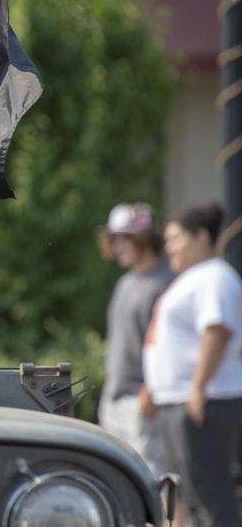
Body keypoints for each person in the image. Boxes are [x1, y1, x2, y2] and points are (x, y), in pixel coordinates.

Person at [142, 202, 242, 527]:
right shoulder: (191, 278)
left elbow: (218, 329)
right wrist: (153, 387)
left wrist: (198, 387)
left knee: (210, 496)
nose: (169, 246)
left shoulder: (215, 277)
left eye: (175, 238)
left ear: (200, 236)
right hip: (179, 399)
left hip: (205, 401)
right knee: (185, 494)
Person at [96, 203, 172, 476]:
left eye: (125, 237)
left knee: (152, 476)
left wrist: (151, 388)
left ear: (146, 238)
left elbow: (167, 343)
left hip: (143, 398)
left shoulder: (165, 283)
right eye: (114, 238)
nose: (117, 245)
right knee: (116, 475)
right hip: (114, 396)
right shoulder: (125, 282)